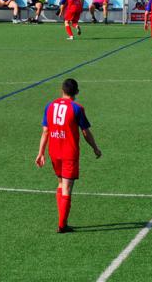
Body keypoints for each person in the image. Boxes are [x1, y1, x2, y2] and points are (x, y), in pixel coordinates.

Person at [35, 78, 101, 233]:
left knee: (60, 183)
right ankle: (62, 225)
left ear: (62, 90)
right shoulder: (77, 108)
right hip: (69, 153)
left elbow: (45, 131)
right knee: (67, 188)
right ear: (77, 92)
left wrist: (40, 152)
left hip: (54, 152)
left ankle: (61, 221)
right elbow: (85, 132)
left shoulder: (50, 106)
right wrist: (95, 148)